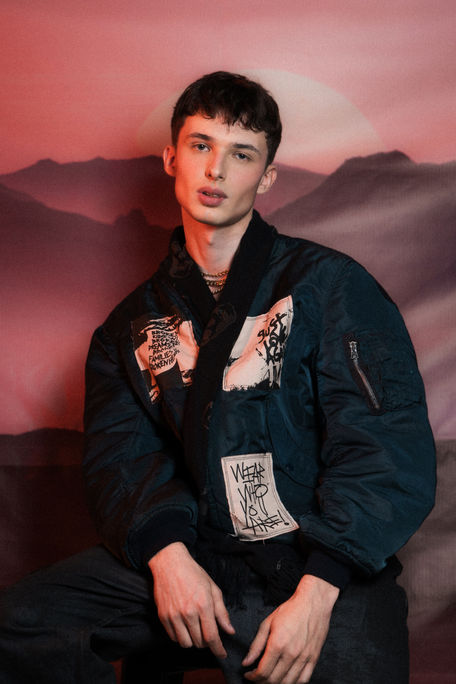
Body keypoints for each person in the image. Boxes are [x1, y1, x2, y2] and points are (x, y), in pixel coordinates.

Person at [0, 71, 435, 684]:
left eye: (242, 154)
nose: (216, 170)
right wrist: (168, 558)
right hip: (199, 555)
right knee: (23, 623)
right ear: (171, 157)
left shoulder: (333, 288)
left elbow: (384, 448)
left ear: (267, 176)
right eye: (201, 145)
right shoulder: (129, 327)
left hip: (316, 565)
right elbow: (123, 460)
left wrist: (319, 588)